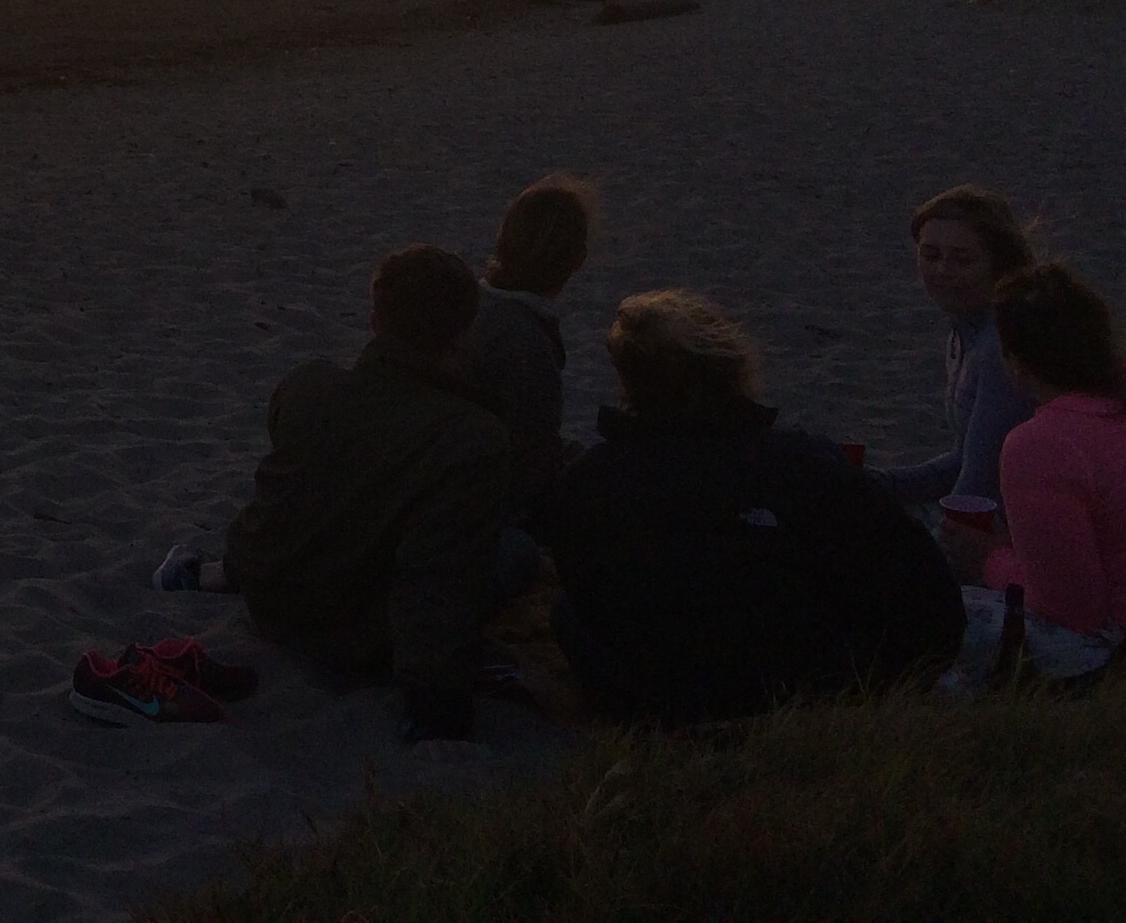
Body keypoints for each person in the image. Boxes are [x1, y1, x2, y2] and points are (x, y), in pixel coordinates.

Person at [546, 291, 960, 723]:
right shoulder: (803, 466)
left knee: (567, 613)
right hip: (796, 692)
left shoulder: (587, 483)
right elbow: (929, 598)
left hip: (657, 699)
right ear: (734, 371)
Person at [208, 245, 514, 742]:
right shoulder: (471, 437)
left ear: (375, 319)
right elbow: (436, 577)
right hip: (348, 637)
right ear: (463, 333)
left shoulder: (306, 387)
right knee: (514, 552)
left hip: (268, 601)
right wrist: (438, 701)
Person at [959, 262, 1126, 687]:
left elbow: (1072, 612)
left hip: (1105, 652)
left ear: (1016, 364)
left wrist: (990, 559)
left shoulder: (1042, 445)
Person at [461, 175, 596, 570]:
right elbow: (530, 466)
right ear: (576, 260)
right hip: (475, 511)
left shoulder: (470, 305)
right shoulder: (524, 341)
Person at [878, 185, 1038, 512]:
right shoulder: (965, 329)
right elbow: (965, 457)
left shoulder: (1002, 347)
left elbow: (979, 487)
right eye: (930, 255)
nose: (942, 271)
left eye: (963, 260)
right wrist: (875, 482)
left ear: (1000, 264)